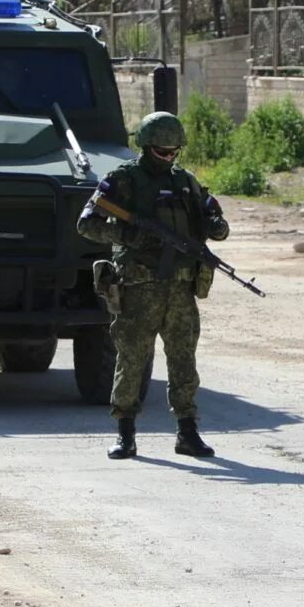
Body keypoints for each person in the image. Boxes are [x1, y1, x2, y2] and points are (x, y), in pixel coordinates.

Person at [79, 110, 229, 461]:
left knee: (183, 361)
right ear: (146, 147)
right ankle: (125, 433)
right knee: (131, 360)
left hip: (179, 289)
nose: (169, 156)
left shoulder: (187, 182)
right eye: (162, 150)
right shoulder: (123, 180)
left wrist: (215, 226)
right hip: (138, 288)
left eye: (174, 150)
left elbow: (211, 215)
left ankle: (187, 431)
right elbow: (87, 223)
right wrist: (126, 233)